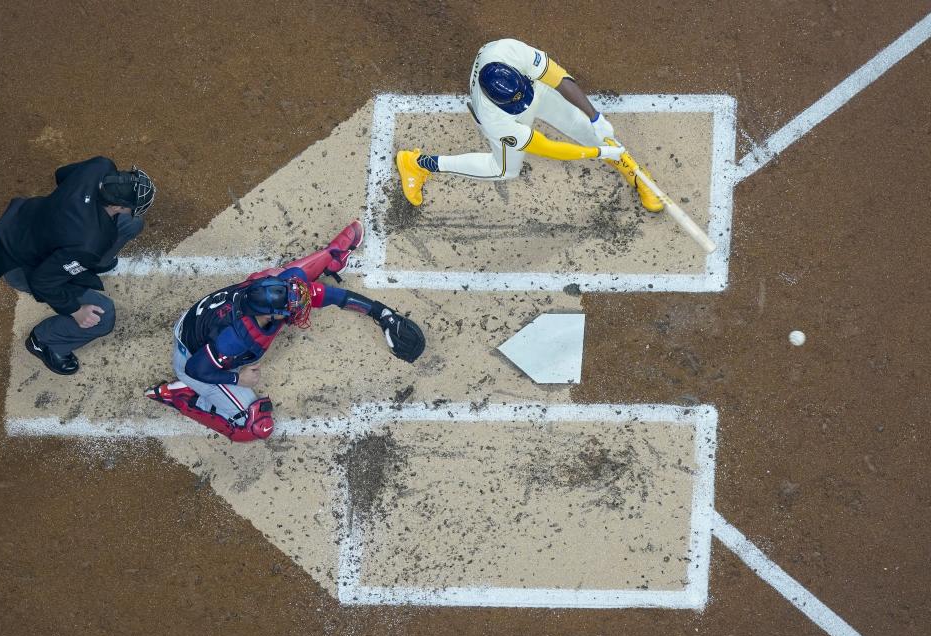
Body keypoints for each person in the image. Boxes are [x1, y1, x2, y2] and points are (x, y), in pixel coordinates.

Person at [145, 220, 425, 442]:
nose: (302, 305)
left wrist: (381, 313)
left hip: (199, 324)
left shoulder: (264, 287)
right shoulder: (234, 340)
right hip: (193, 359)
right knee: (256, 426)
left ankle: (332, 255)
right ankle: (180, 397)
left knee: (285, 276)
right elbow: (197, 368)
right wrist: (236, 377)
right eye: (293, 306)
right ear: (270, 314)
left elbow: (331, 296)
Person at [396, 38, 663, 213]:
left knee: (585, 127)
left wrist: (594, 116)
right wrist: (599, 153)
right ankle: (418, 163)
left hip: (537, 89)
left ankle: (637, 175)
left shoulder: (508, 51)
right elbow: (548, 147)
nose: (523, 103)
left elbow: (558, 77)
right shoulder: (495, 119)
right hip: (510, 121)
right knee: (503, 170)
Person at [0, 156, 156, 375]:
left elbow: (61, 175)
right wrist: (75, 310)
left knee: (131, 223)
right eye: (132, 204)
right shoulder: (89, 242)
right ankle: (45, 341)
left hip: (30, 222)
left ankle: (97, 264)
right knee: (104, 317)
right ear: (116, 205)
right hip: (21, 264)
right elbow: (42, 281)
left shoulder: (100, 167)